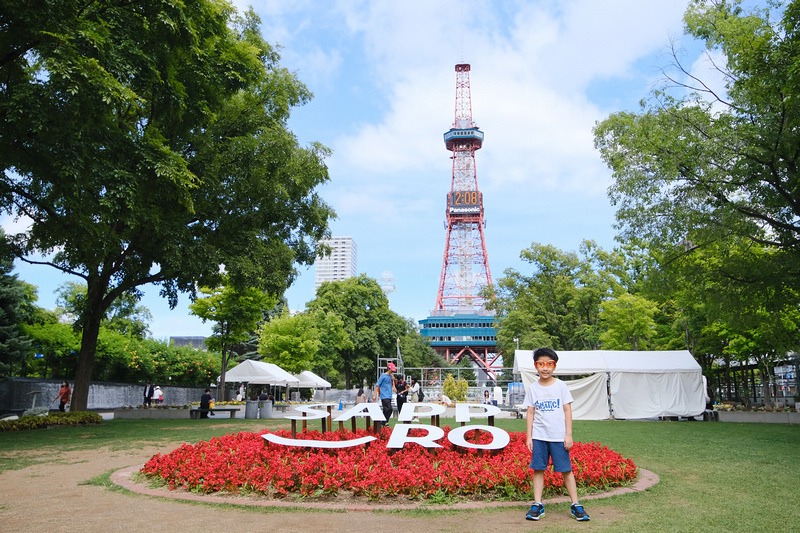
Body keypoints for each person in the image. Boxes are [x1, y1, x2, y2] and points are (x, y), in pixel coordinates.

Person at [523, 347, 590, 522]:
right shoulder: (533, 388)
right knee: (538, 469)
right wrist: (529, 436)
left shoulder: (561, 386)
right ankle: (537, 504)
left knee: (566, 470)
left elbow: (567, 410)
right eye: (541, 364)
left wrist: (568, 435)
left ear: (554, 366)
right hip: (539, 436)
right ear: (535, 366)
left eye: (549, 364)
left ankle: (576, 505)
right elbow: (530, 413)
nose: (545, 368)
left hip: (558, 437)